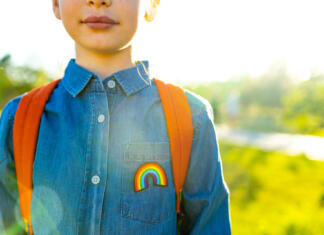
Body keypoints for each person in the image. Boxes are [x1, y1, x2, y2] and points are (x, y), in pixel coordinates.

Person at [0, 0, 231, 234]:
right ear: (56, 4)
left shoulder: (191, 117)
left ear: (152, 5)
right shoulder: (18, 119)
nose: (99, 1)